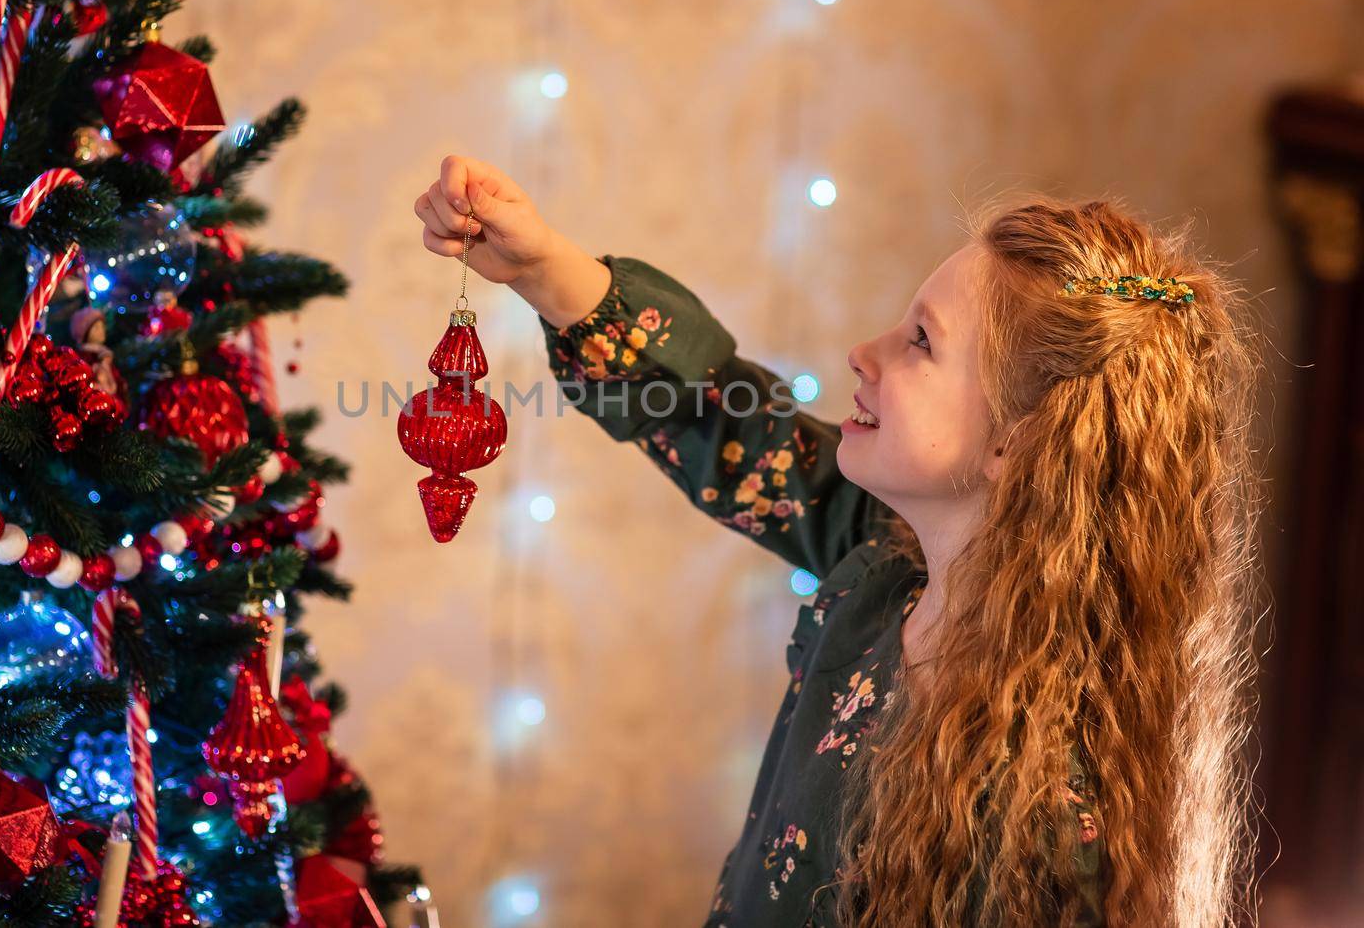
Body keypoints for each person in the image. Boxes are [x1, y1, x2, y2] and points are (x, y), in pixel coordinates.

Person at [413, 157, 1265, 928]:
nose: (865, 353)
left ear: (1020, 440)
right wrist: (539, 265)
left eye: (921, 342)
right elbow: (717, 416)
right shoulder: (885, 566)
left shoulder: (1047, 816)